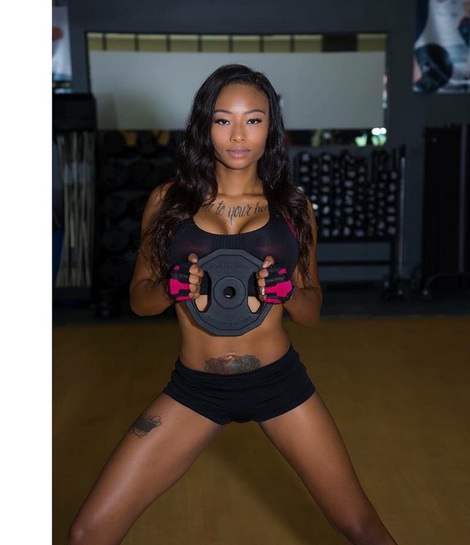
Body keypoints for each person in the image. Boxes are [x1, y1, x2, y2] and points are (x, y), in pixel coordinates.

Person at [68, 64, 398, 545]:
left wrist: (287, 293)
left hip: (279, 383)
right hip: (195, 390)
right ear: (205, 126)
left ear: (271, 127)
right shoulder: (168, 202)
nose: (238, 135)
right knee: (88, 532)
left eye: (253, 120)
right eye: (223, 120)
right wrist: (171, 288)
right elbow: (140, 299)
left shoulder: (293, 207)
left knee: (361, 527)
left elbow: (311, 310)